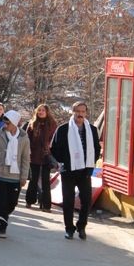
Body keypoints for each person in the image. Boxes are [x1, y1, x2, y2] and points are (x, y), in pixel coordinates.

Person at [51, 101, 101, 240]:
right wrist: (66, 162)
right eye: (77, 111)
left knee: (86, 200)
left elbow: (96, 149)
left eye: (82, 111)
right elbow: (54, 149)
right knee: (68, 201)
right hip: (68, 171)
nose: (80, 114)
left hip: (85, 171)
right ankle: (69, 229)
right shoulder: (63, 129)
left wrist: (91, 164)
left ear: (86, 113)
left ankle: (81, 226)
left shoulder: (92, 130)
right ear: (72, 112)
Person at [0, 110, 30, 238]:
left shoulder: (24, 137)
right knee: (2, 202)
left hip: (15, 176)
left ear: (14, 123)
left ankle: (3, 215)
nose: (5, 125)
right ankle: (2, 227)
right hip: (0, 174)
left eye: (8, 123)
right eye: (4, 122)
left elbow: (25, 158)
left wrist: (24, 176)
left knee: (12, 203)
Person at [25, 104, 57, 212]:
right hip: (34, 155)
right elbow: (27, 139)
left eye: (43, 110)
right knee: (33, 179)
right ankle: (30, 200)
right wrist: (27, 152)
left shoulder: (52, 124)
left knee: (45, 181)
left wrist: (51, 151)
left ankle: (46, 205)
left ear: (47, 112)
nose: (41, 112)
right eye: (39, 110)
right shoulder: (32, 123)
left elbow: (55, 140)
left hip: (46, 156)